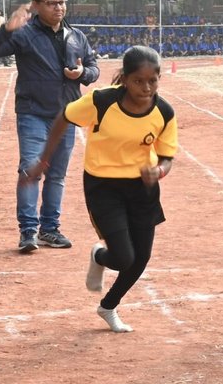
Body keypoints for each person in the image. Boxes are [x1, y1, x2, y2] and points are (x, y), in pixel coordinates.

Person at [24, 46, 177, 334]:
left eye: (152, 81)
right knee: (122, 258)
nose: (146, 88)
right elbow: (64, 116)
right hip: (104, 186)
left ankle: (108, 306)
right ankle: (99, 256)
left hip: (143, 190)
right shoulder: (101, 101)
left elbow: (167, 157)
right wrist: (43, 160)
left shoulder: (164, 112)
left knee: (141, 259)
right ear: (125, 79)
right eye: (138, 81)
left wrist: (158, 171)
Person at [0, 0, 100, 253]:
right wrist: (6, 29)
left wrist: (82, 73)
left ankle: (50, 229)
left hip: (66, 115)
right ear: (36, 6)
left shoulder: (76, 36)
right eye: (52, 3)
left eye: (62, 2)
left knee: (56, 175)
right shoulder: (24, 34)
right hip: (33, 113)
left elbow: (94, 68)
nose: (59, 8)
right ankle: (28, 231)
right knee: (30, 170)